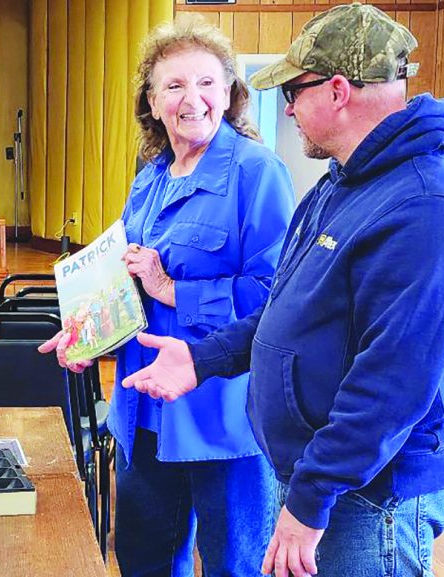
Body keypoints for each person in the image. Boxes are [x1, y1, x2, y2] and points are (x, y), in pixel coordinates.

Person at [121, 5, 444, 577]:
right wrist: (201, 357)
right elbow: (285, 310)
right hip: (317, 471)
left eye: (295, 91)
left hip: (371, 494)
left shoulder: (427, 210)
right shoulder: (342, 185)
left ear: (338, 90)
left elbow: (391, 384)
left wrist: (310, 498)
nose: (287, 107)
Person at [41, 20, 295, 576]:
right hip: (144, 410)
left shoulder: (258, 173)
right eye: (174, 86)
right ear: (152, 102)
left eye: (207, 83)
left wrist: (173, 290)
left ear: (229, 95)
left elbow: (277, 299)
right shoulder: (149, 179)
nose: (192, 99)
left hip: (224, 417)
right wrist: (87, 333)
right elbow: (122, 284)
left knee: (236, 566)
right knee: (143, 561)